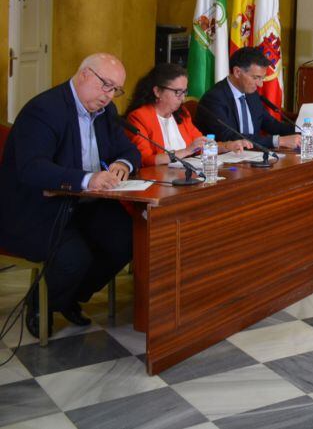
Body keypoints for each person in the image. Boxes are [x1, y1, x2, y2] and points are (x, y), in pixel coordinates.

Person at [0, 53, 140, 338]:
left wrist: (122, 164)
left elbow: (129, 150)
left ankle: (68, 298)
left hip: (83, 205)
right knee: (74, 257)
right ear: (84, 74)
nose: (109, 96)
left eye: (116, 90)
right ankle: (40, 304)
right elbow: (32, 169)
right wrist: (88, 178)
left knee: (127, 240)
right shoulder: (44, 110)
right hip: (38, 208)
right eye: (105, 85)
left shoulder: (106, 114)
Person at [195, 46, 313, 149]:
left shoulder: (251, 94)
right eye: (256, 78)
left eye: (262, 78)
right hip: (223, 163)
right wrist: (278, 141)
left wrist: (308, 133)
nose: (260, 84)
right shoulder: (214, 99)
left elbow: (272, 125)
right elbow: (232, 137)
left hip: (253, 158)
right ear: (237, 72)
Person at [125, 63, 250, 166]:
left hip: (188, 177)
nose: (183, 98)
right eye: (177, 92)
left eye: (184, 92)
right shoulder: (139, 117)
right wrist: (187, 151)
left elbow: (201, 146)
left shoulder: (182, 114)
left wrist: (228, 146)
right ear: (157, 91)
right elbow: (145, 160)